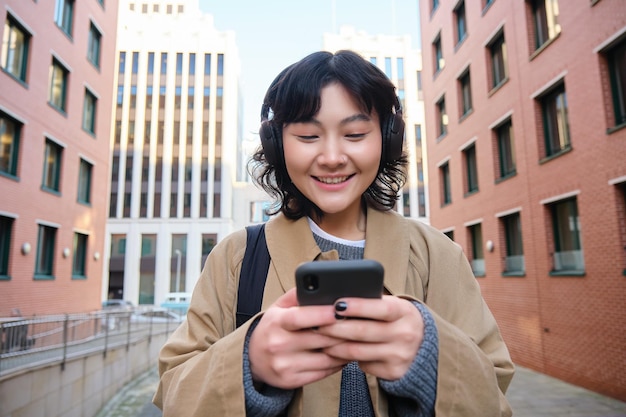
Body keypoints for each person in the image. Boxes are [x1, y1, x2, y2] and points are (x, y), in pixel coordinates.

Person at [153, 50, 514, 416]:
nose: (331, 156)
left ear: (387, 140)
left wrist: (429, 358)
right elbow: (174, 392)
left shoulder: (438, 255)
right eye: (308, 135)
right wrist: (249, 364)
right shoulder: (237, 257)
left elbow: (493, 393)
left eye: (355, 134)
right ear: (278, 145)